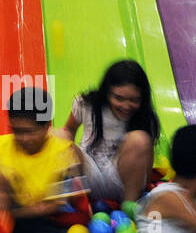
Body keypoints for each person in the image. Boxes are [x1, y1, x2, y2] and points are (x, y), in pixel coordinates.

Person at [0, 86, 87, 233]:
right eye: (16, 131)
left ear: (47, 126)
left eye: (29, 132)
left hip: (41, 218)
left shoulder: (63, 153)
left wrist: (12, 213)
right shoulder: (3, 147)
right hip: (10, 215)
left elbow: (53, 207)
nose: (23, 138)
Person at [58, 60, 159, 203]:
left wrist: (142, 185)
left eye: (134, 100)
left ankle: (128, 210)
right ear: (106, 92)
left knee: (139, 139)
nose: (126, 106)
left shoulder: (144, 116)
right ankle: (76, 203)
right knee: (58, 135)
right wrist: (71, 163)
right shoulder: (87, 105)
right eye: (119, 98)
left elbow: (146, 167)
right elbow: (69, 129)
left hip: (123, 183)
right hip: (89, 175)